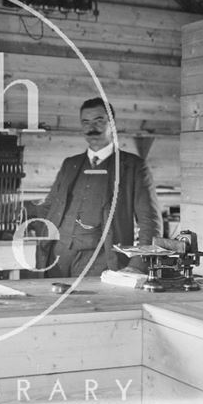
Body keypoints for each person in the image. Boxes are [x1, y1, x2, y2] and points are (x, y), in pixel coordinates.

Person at [26, 97, 162, 277]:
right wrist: (25, 211)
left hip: (102, 260)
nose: (92, 128)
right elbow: (50, 207)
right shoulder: (70, 164)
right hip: (57, 256)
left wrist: (137, 265)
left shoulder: (133, 167)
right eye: (86, 122)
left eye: (99, 121)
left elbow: (150, 222)